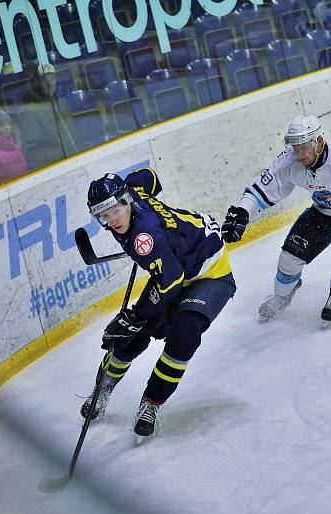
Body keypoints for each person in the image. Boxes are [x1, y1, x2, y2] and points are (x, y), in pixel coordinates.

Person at [83, 168, 235, 438]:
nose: (112, 221)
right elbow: (149, 176)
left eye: (115, 211)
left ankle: (151, 403)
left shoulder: (146, 238)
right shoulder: (132, 190)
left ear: (126, 200)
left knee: (184, 333)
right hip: (175, 265)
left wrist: (136, 315)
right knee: (131, 337)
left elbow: (172, 281)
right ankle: (102, 390)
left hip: (210, 270)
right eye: (103, 216)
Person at [221, 115, 331, 324]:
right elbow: (260, 192)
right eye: (295, 149)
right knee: (289, 259)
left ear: (320, 142)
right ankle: (283, 296)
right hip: (324, 210)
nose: (299, 155)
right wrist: (242, 213)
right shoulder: (288, 161)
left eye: (304, 148)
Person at [17, 63, 79, 170]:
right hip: (53, 168)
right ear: (36, 82)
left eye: (52, 78)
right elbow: (31, 153)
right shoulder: (29, 111)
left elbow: (73, 134)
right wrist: (61, 154)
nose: (49, 83)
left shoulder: (61, 103)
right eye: (44, 79)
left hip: (75, 161)